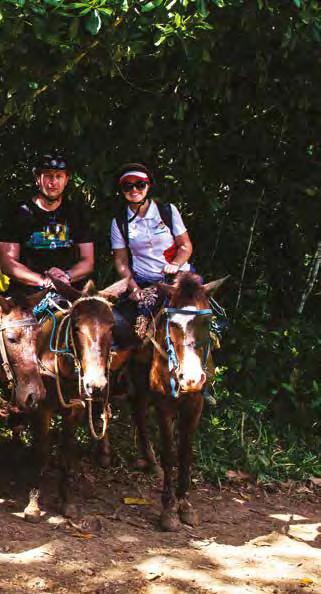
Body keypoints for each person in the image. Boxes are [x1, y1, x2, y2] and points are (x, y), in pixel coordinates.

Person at [111, 162, 193, 338]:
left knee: (197, 315)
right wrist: (133, 288)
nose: (134, 190)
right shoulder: (120, 221)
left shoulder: (166, 211)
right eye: (128, 186)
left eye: (140, 184)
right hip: (145, 281)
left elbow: (185, 246)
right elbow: (121, 261)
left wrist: (175, 264)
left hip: (177, 276)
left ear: (148, 186)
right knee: (134, 330)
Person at [0, 153, 94, 295]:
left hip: (69, 289)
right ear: (38, 178)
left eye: (59, 176)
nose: (53, 182)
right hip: (27, 293)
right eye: (48, 175)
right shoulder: (18, 214)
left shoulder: (76, 213)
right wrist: (44, 281)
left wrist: (66, 277)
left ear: (66, 180)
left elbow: (88, 261)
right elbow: (8, 264)